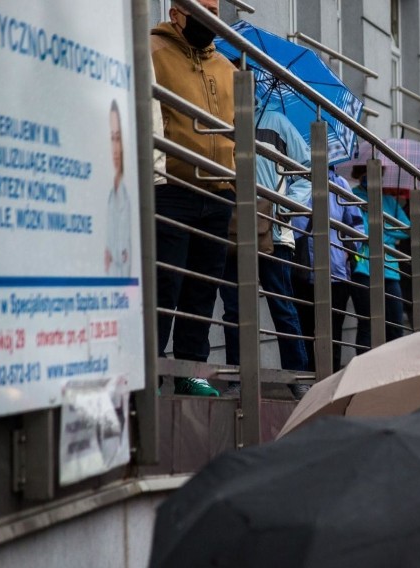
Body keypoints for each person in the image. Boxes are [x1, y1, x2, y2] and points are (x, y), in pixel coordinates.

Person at [151, 0, 236, 397]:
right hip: (173, 187)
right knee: (164, 283)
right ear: (175, 13)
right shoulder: (153, 51)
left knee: (201, 289)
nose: (211, 17)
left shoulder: (228, 67)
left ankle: (190, 369)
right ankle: (150, 368)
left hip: (219, 192)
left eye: (216, 9)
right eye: (201, 8)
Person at [220, 95, 313, 382]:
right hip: (233, 227)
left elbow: (306, 173)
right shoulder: (223, 119)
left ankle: (298, 379)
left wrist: (282, 208)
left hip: (274, 231)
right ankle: (238, 378)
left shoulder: (277, 123)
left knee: (282, 307)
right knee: (234, 310)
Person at [292, 167, 364, 372]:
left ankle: (328, 384)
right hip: (302, 269)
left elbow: (357, 225)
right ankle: (305, 382)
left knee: (332, 334)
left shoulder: (340, 183)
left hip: (336, 272)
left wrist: (348, 251)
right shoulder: (294, 178)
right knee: (303, 331)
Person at [350, 165, 410, 350]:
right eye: (368, 174)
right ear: (359, 176)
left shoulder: (389, 201)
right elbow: (361, 230)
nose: (376, 179)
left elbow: (407, 229)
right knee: (367, 324)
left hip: (389, 270)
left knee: (395, 326)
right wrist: (387, 232)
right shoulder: (352, 195)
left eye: (379, 175)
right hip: (363, 267)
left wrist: (381, 233)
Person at [104, 100, 132, 277]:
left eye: (119, 138)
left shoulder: (128, 197)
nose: (115, 148)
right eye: (112, 138)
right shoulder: (108, 196)